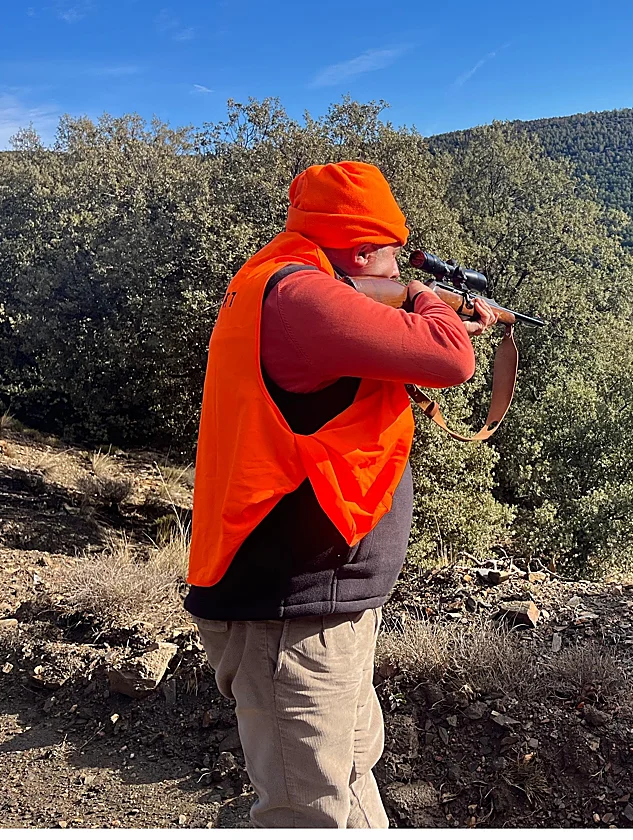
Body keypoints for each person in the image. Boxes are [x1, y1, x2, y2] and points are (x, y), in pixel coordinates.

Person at [183, 161, 497, 828]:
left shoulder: (294, 282)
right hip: (290, 608)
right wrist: (423, 296)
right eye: (392, 253)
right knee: (308, 810)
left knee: (348, 779)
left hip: (325, 602)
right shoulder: (300, 296)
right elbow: (451, 361)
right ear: (361, 248)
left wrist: (421, 308)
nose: (397, 266)